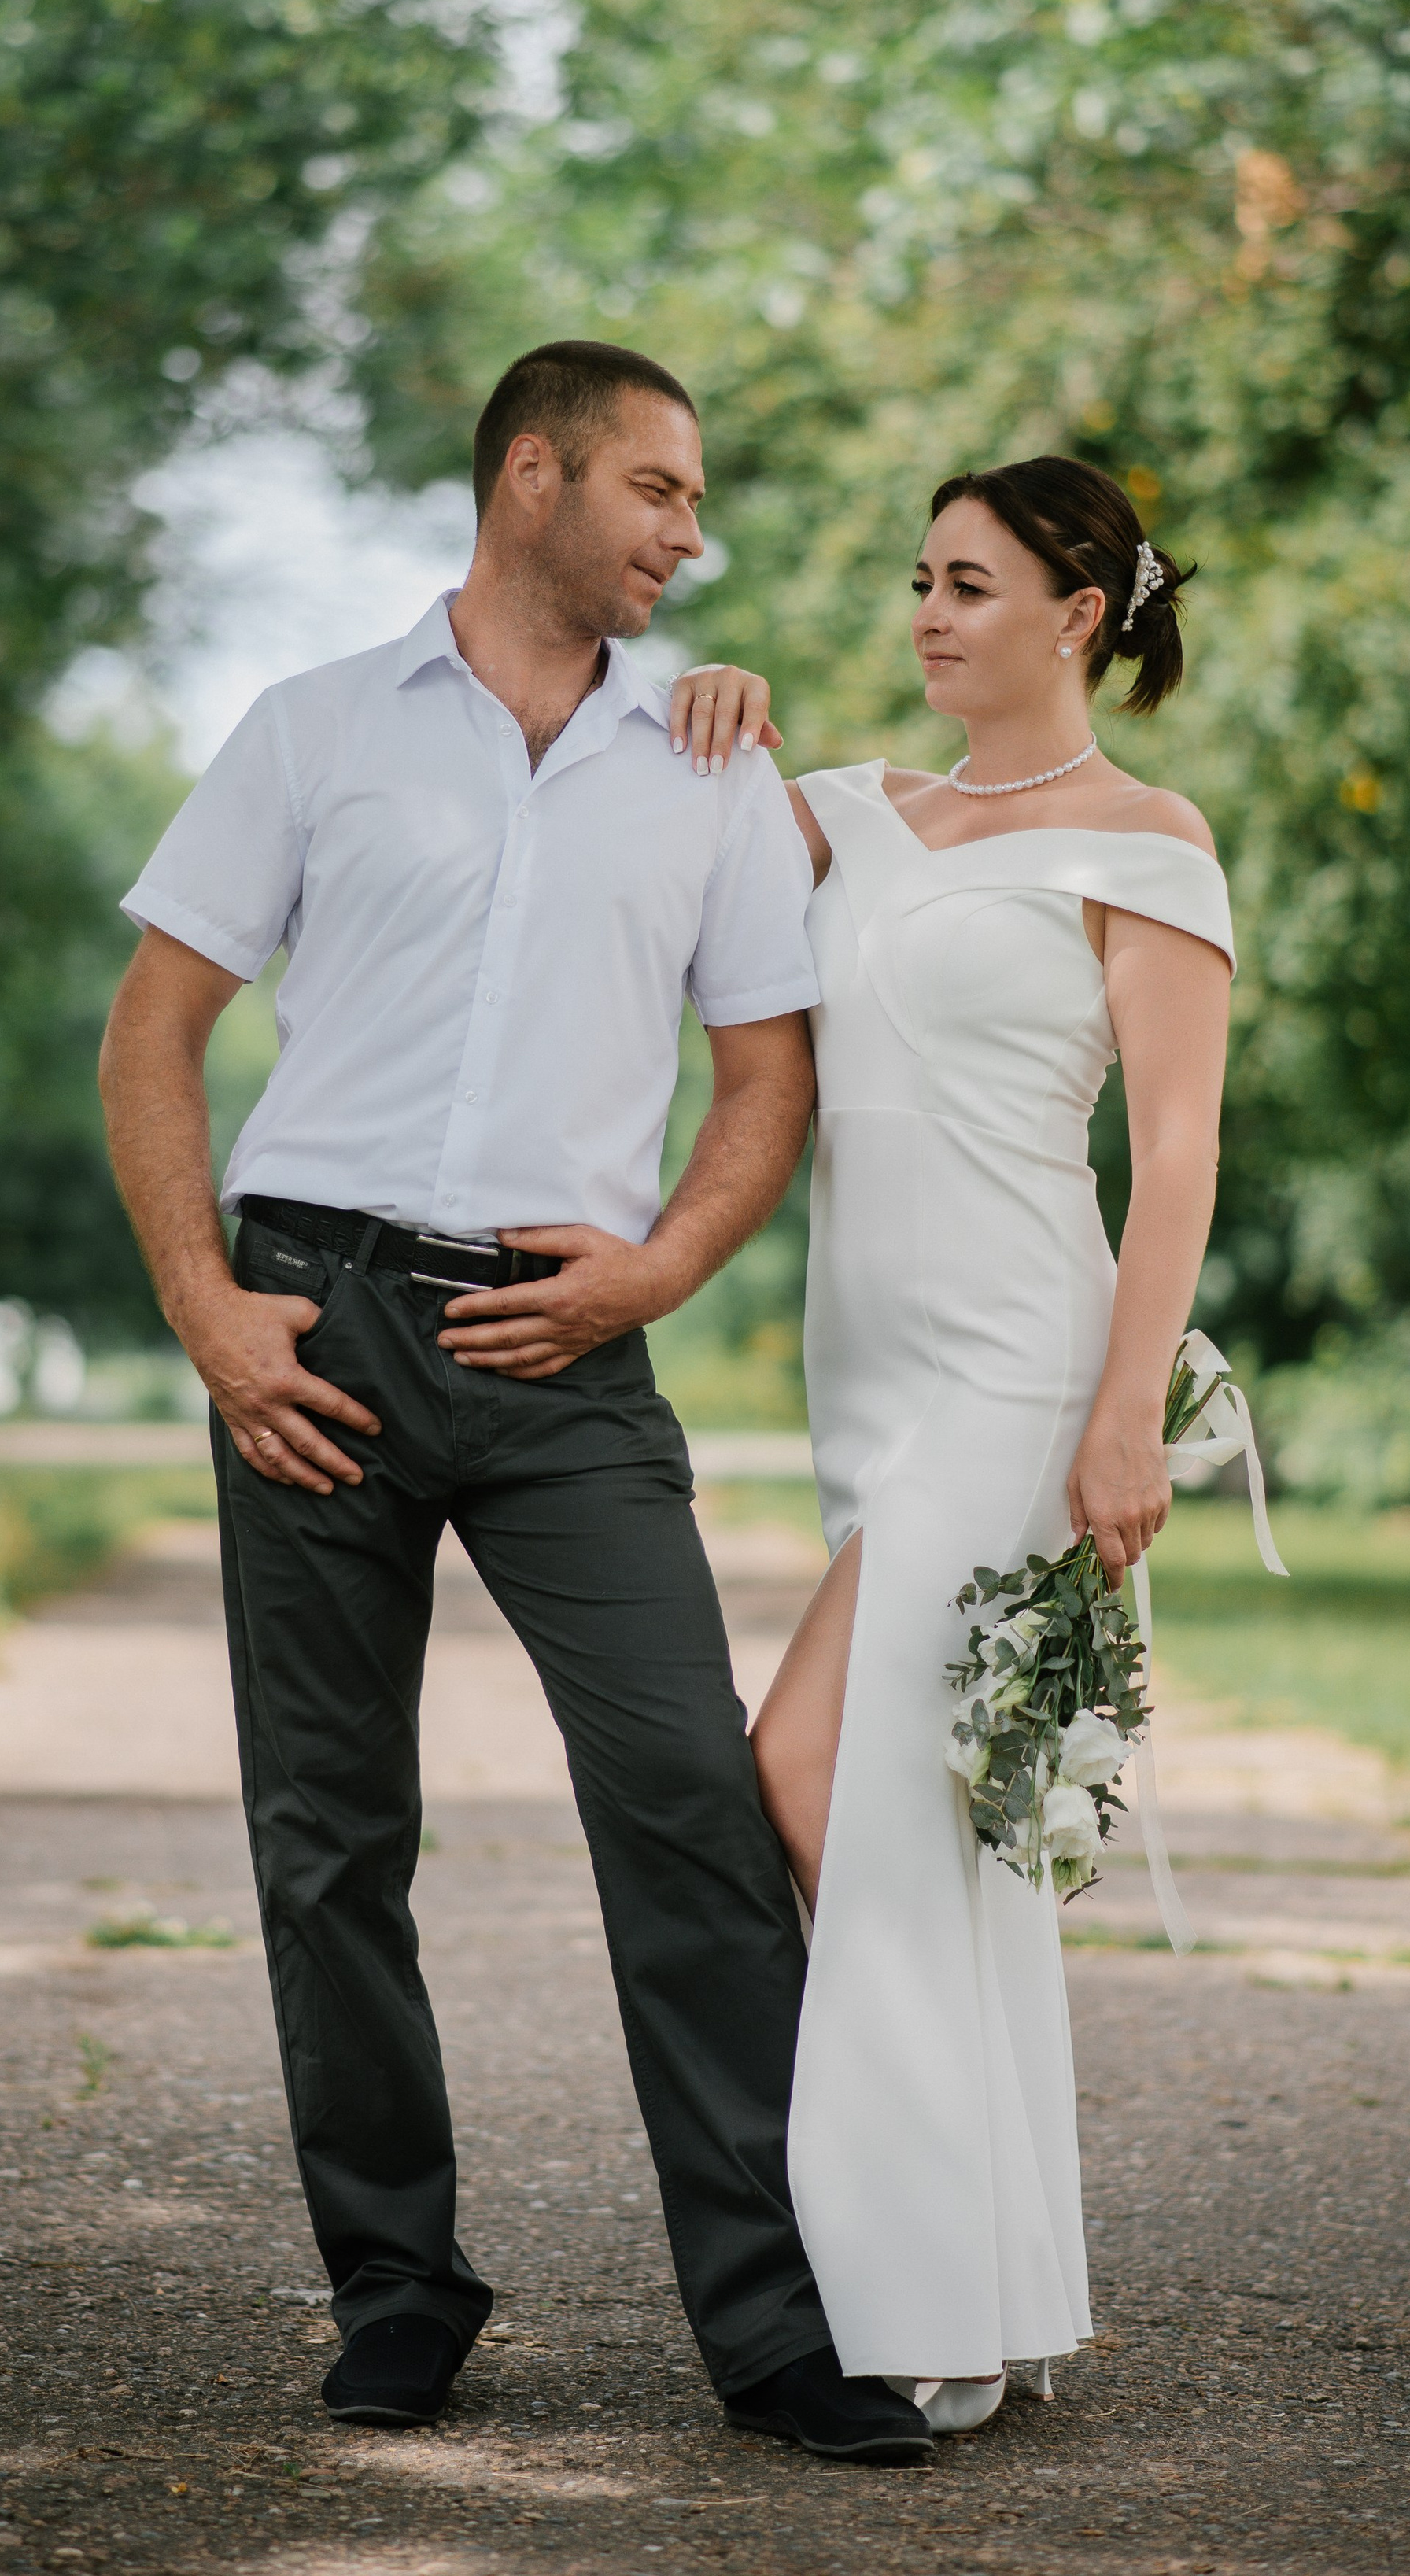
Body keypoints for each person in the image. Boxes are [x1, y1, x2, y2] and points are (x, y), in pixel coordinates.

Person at [97, 341, 932, 2465]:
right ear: (532, 474)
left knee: (688, 1803)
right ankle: (396, 2285)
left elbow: (764, 1080)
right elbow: (154, 1029)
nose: (690, 533)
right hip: (314, 1329)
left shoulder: (709, 763)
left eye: (696, 499)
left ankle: (779, 2325)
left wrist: (657, 1269)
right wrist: (208, 1307)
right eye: (658, 488)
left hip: (571, 1346)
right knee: (328, 1836)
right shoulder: (312, 729)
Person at [666, 459, 1234, 2430]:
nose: (925, 612)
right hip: (868, 1374)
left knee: (809, 1770)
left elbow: (1176, 1155)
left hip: (1019, 1363)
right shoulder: (840, 814)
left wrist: (1122, 1415)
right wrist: (707, 698)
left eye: (969, 583)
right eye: (919, 578)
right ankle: (966, 2279)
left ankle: (919, 2295)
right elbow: (666, 840)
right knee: (910, 1811)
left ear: (1076, 613)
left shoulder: (1146, 842)